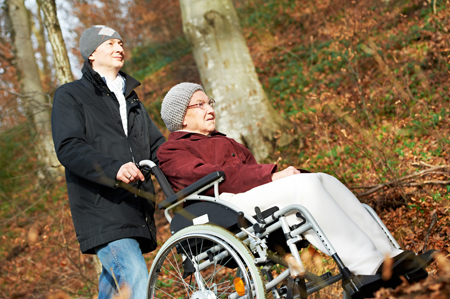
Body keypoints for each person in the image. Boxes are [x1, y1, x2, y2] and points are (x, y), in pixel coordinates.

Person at [156, 82, 436, 295]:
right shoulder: (172, 150)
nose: (210, 109)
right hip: (225, 205)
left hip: (249, 196)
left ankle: (388, 255)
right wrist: (272, 176)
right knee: (306, 184)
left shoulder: (226, 141)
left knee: (322, 178)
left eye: (210, 102)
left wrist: (274, 176)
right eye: (200, 105)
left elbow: (247, 168)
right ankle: (366, 267)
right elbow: (216, 177)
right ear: (181, 117)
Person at [51, 25, 165, 298]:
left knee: (116, 287)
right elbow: (69, 147)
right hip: (101, 207)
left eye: (121, 43)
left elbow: (157, 148)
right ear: (91, 54)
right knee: (135, 276)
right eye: (110, 43)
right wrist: (115, 169)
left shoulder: (131, 99)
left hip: (137, 206)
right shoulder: (70, 95)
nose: (119, 48)